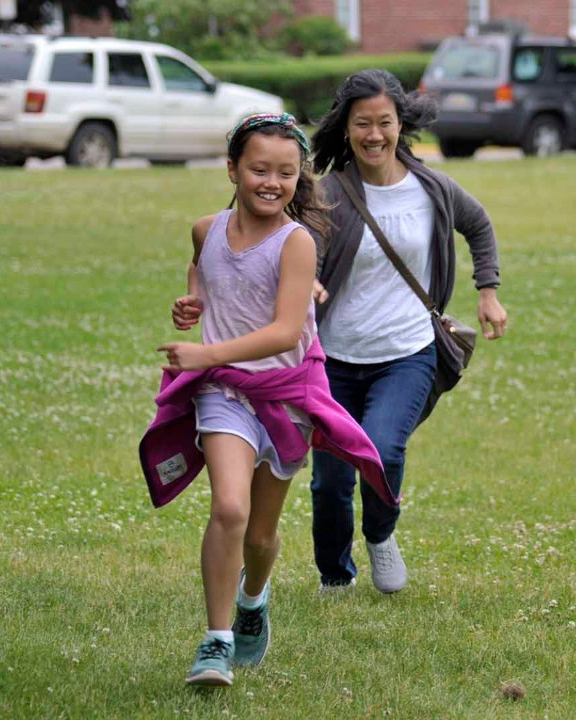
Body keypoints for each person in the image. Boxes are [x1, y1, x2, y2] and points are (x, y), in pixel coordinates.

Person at [140, 113, 394, 687]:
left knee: (260, 534)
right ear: (232, 169)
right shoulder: (206, 230)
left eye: (285, 173)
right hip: (226, 394)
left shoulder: (298, 242)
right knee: (229, 509)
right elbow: (203, 276)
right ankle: (216, 638)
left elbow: (285, 332)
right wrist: (192, 304)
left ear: (297, 179)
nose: (271, 182)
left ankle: (254, 599)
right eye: (258, 169)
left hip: (286, 398)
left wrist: (204, 352)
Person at [308, 69, 508, 594]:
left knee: (382, 449)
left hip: (407, 351)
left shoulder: (432, 188)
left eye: (384, 123)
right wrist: (303, 280)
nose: (374, 135)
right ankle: (335, 574)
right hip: (332, 360)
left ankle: (380, 534)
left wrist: (487, 291)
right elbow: (298, 247)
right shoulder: (327, 192)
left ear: (401, 125)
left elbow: (478, 224)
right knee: (330, 481)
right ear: (346, 129)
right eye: (362, 124)